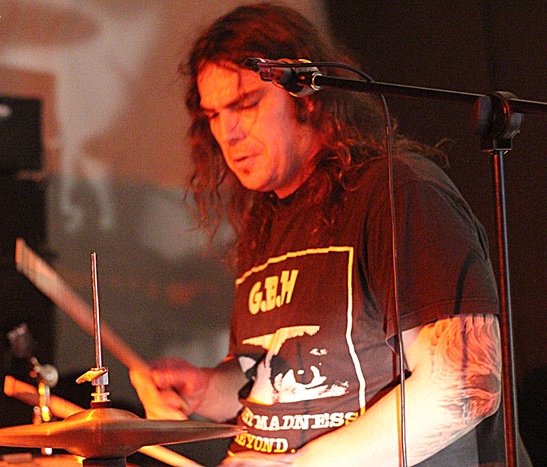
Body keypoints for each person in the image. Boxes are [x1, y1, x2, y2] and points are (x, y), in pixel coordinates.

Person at [130, 3, 532, 466]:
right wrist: (207, 390)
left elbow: (466, 384)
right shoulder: (267, 220)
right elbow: (268, 379)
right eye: (213, 115)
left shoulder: (399, 191)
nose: (228, 132)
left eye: (246, 104)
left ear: (307, 96)